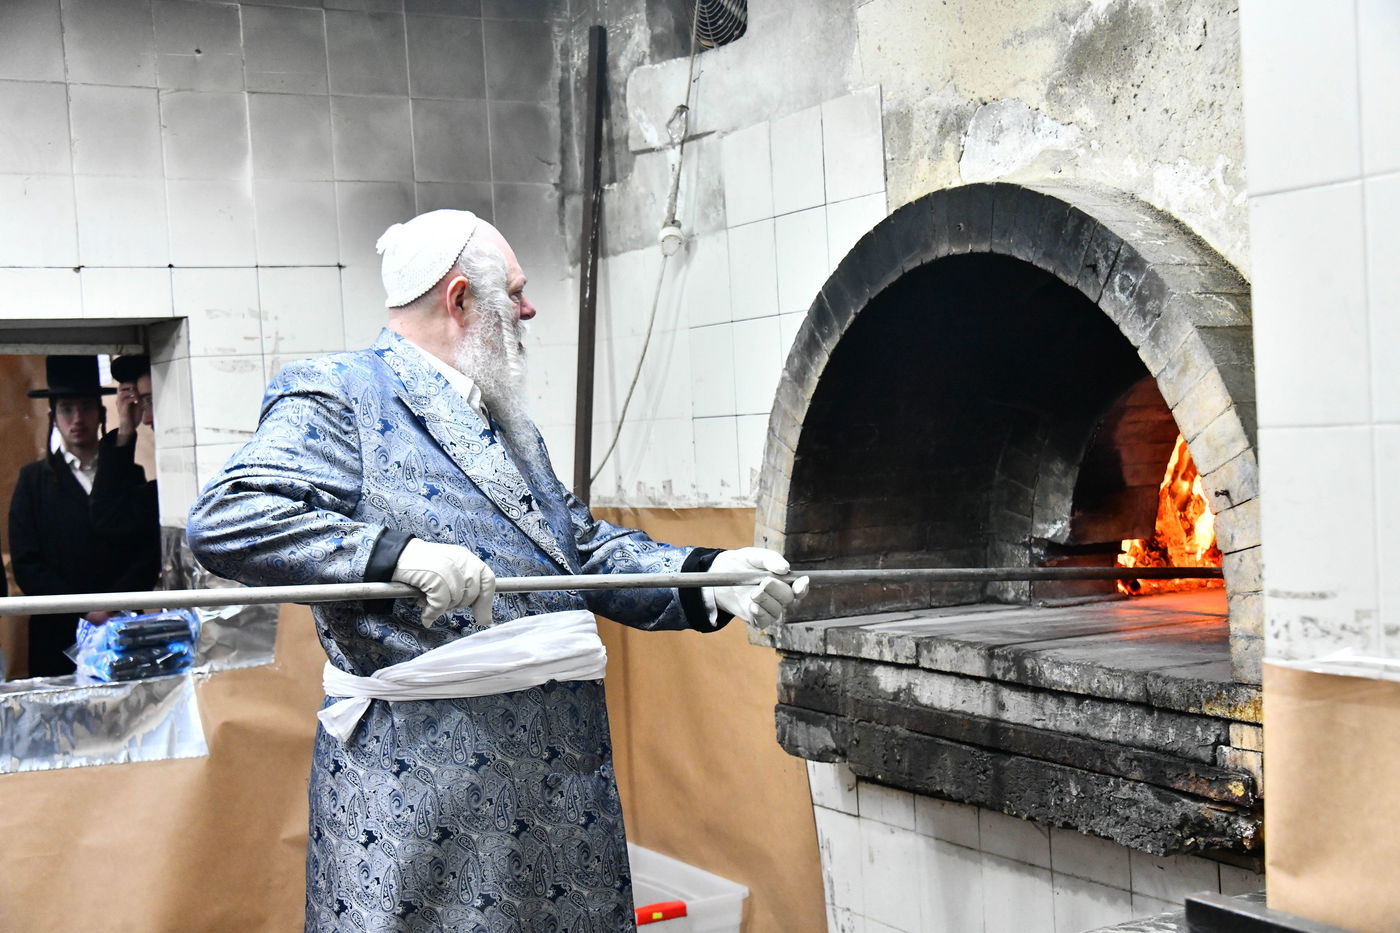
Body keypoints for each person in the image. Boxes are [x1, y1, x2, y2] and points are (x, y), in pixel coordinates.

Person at [186, 209, 808, 932]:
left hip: (554, 792)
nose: (528, 307)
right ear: (458, 301)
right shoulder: (339, 392)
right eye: (513, 291)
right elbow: (227, 516)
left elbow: (580, 547)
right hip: (424, 799)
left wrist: (709, 574)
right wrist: (395, 555)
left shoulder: (506, 420)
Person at [8, 356, 160, 677]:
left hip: (120, 623)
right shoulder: (33, 480)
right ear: (53, 417)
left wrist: (114, 603)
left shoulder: (124, 473)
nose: (77, 419)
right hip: (58, 630)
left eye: (86, 408)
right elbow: (27, 564)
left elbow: (145, 548)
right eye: (67, 409)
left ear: (101, 413)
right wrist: (85, 608)